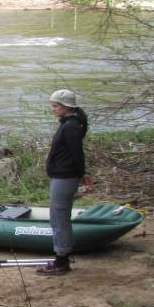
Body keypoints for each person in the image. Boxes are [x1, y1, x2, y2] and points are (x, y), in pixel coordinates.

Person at [38, 89, 91, 276]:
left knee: (59, 218)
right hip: (62, 177)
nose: (53, 109)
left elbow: (77, 153)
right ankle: (62, 257)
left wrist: (82, 175)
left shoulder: (70, 127)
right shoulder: (68, 124)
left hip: (65, 178)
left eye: (55, 106)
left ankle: (61, 261)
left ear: (66, 107)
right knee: (58, 217)